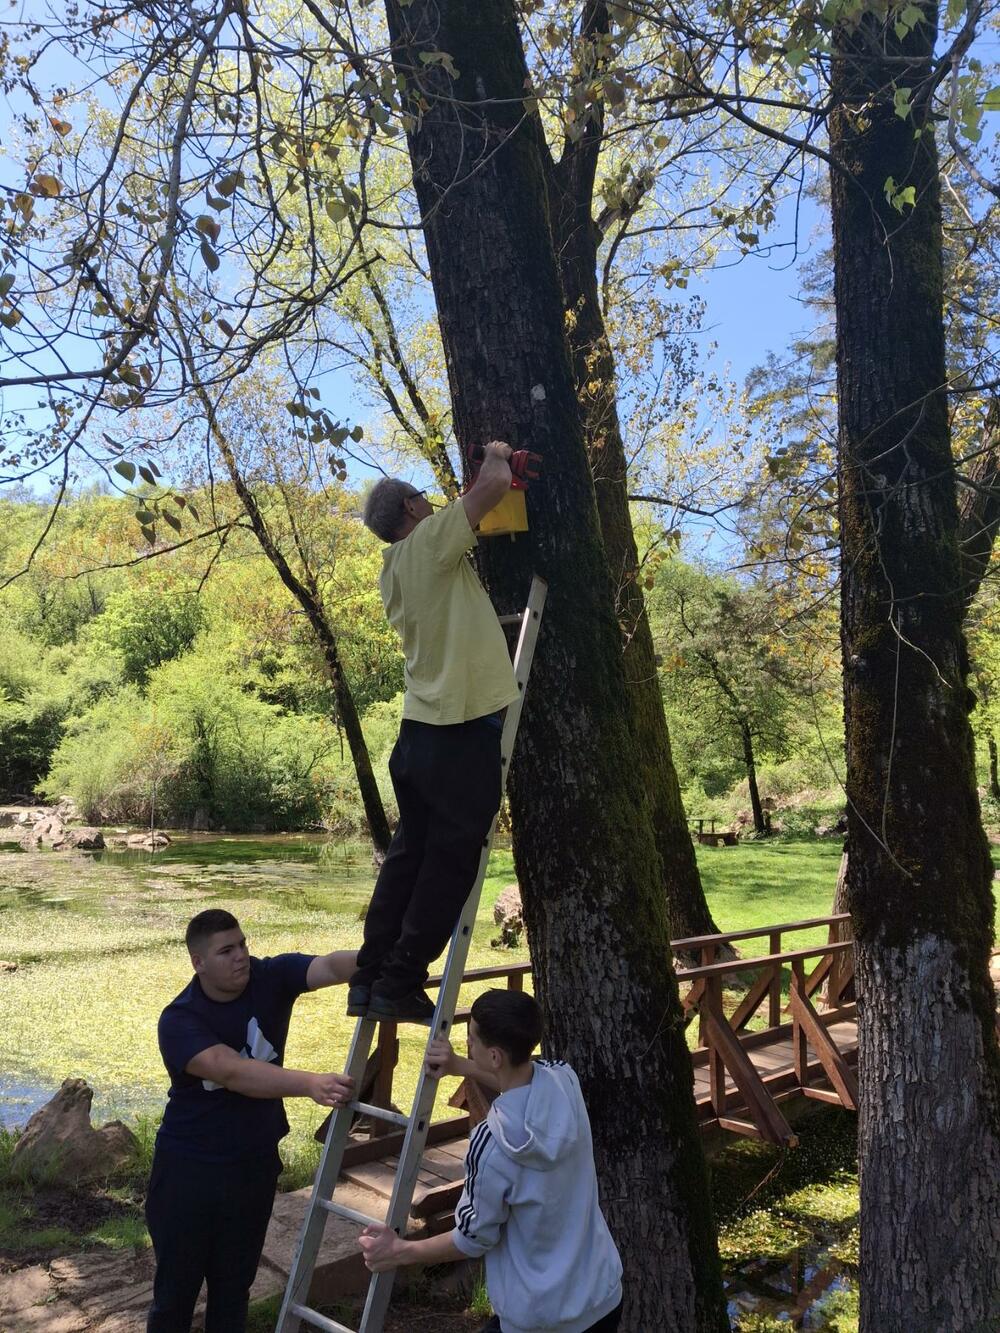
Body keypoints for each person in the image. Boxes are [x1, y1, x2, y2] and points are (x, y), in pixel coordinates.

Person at [349, 443, 523, 1024]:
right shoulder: (426, 542)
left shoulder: (392, 569)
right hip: (459, 726)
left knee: (409, 856)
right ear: (411, 507)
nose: (431, 500)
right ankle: (399, 980)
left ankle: (369, 977)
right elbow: (494, 485)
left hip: (419, 731)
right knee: (450, 863)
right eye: (423, 495)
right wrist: (497, 455)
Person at [358, 990, 624, 1333]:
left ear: (495, 1056)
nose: (467, 1044)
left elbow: (471, 1238)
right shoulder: (565, 1081)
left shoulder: (493, 1144)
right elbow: (528, 1074)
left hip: (542, 1320)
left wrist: (399, 1251)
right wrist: (460, 1066)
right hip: (601, 1298)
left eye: (471, 1040)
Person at [146, 908, 357, 1333]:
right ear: (198, 962)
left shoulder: (271, 976)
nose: (241, 956)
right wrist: (310, 1083)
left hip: (253, 1166)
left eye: (242, 944)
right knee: (175, 1295)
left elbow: (331, 965)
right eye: (226, 950)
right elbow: (231, 1071)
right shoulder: (179, 1019)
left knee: (234, 1289)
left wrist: (392, 954)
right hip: (189, 1172)